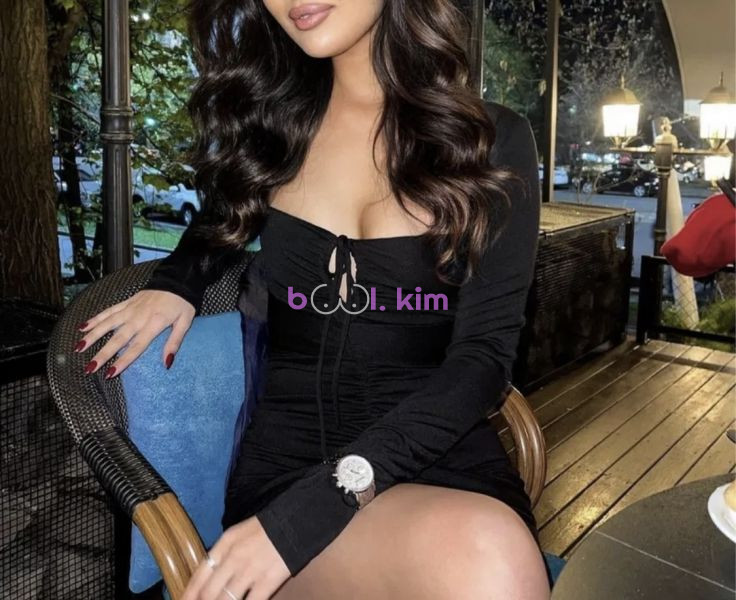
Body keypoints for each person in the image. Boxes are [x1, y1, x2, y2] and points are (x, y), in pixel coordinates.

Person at [74, 1, 550, 598]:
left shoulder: (490, 142)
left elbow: (483, 359)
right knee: (488, 558)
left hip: (442, 462)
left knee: (488, 553)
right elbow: (220, 220)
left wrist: (323, 505)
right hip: (288, 471)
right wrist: (176, 284)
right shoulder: (275, 129)